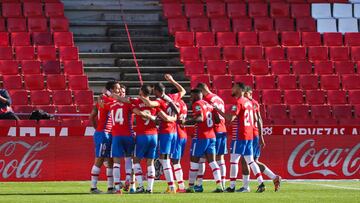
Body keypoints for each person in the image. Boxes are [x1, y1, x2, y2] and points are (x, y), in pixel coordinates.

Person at [214, 82, 266, 193]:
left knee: (234, 161)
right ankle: (261, 183)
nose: (232, 89)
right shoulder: (249, 103)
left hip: (239, 136)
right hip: (249, 135)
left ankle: (232, 186)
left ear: (239, 89)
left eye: (234, 87)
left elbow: (230, 118)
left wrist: (217, 110)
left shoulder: (238, 102)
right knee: (250, 161)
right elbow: (256, 119)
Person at [142, 74, 186, 193]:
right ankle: (176, 186)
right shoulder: (173, 97)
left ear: (156, 91)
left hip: (165, 131)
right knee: (167, 159)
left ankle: (172, 187)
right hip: (174, 132)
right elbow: (183, 90)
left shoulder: (159, 100)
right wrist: (172, 80)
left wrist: (142, 96)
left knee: (164, 159)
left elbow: (150, 104)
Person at [237, 86, 281, 192]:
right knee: (252, 160)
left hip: (252, 134)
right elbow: (258, 119)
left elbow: (258, 119)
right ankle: (274, 177)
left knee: (245, 160)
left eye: (245, 93)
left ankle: (246, 186)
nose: (244, 95)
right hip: (252, 134)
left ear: (250, 93)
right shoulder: (251, 103)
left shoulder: (251, 103)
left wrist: (261, 136)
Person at [184, 89, 223, 193]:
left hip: (200, 137)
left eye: (192, 96)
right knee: (213, 162)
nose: (190, 98)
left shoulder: (197, 104)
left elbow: (200, 119)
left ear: (197, 95)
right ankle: (220, 186)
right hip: (212, 136)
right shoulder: (210, 104)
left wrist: (186, 121)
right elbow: (218, 120)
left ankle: (191, 187)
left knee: (194, 162)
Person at [195, 83, 227, 191]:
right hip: (223, 129)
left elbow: (211, 116)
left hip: (212, 131)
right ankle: (222, 184)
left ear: (201, 90)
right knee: (220, 159)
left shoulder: (207, 100)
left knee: (202, 158)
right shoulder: (219, 99)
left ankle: (199, 185)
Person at [88, 81, 119, 194]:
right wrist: (99, 129)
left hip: (108, 133)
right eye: (117, 88)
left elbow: (92, 115)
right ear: (111, 89)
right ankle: (93, 187)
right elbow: (92, 116)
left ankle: (110, 187)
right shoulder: (107, 100)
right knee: (99, 159)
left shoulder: (102, 99)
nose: (119, 91)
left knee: (110, 161)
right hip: (104, 133)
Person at [170, 88, 188, 193]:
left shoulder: (176, 103)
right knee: (176, 161)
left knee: (175, 161)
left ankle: (181, 186)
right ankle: (178, 185)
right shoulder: (184, 104)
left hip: (176, 133)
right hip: (183, 133)